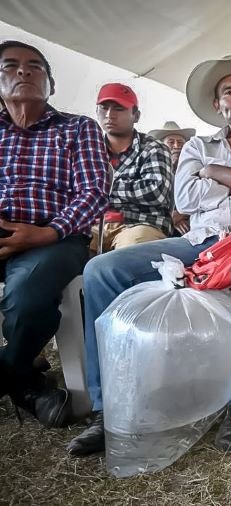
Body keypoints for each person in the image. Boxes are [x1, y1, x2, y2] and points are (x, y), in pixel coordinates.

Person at [67, 54, 231, 456]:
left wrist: (214, 173)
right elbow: (185, 196)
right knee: (101, 270)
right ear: (218, 105)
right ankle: (107, 407)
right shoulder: (198, 143)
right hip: (202, 241)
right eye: (229, 92)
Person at [0, 40, 108, 427]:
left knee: (28, 289)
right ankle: (25, 382)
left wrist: (46, 234)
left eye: (35, 67)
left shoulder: (78, 128)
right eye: (10, 66)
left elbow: (94, 193)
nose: (22, 72)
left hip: (57, 238)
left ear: (51, 84)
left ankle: (14, 374)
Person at [94, 83, 173, 249]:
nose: (109, 115)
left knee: (131, 247)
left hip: (138, 224)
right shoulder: (88, 149)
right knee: (62, 245)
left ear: (136, 116)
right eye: (104, 108)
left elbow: (155, 192)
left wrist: (102, 188)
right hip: (93, 226)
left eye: (118, 109)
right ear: (97, 112)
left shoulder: (154, 147)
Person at [149, 121, 196, 235]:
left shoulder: (196, 170)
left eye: (180, 142)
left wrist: (181, 214)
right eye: (171, 142)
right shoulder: (151, 172)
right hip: (157, 225)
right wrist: (169, 219)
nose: (176, 146)